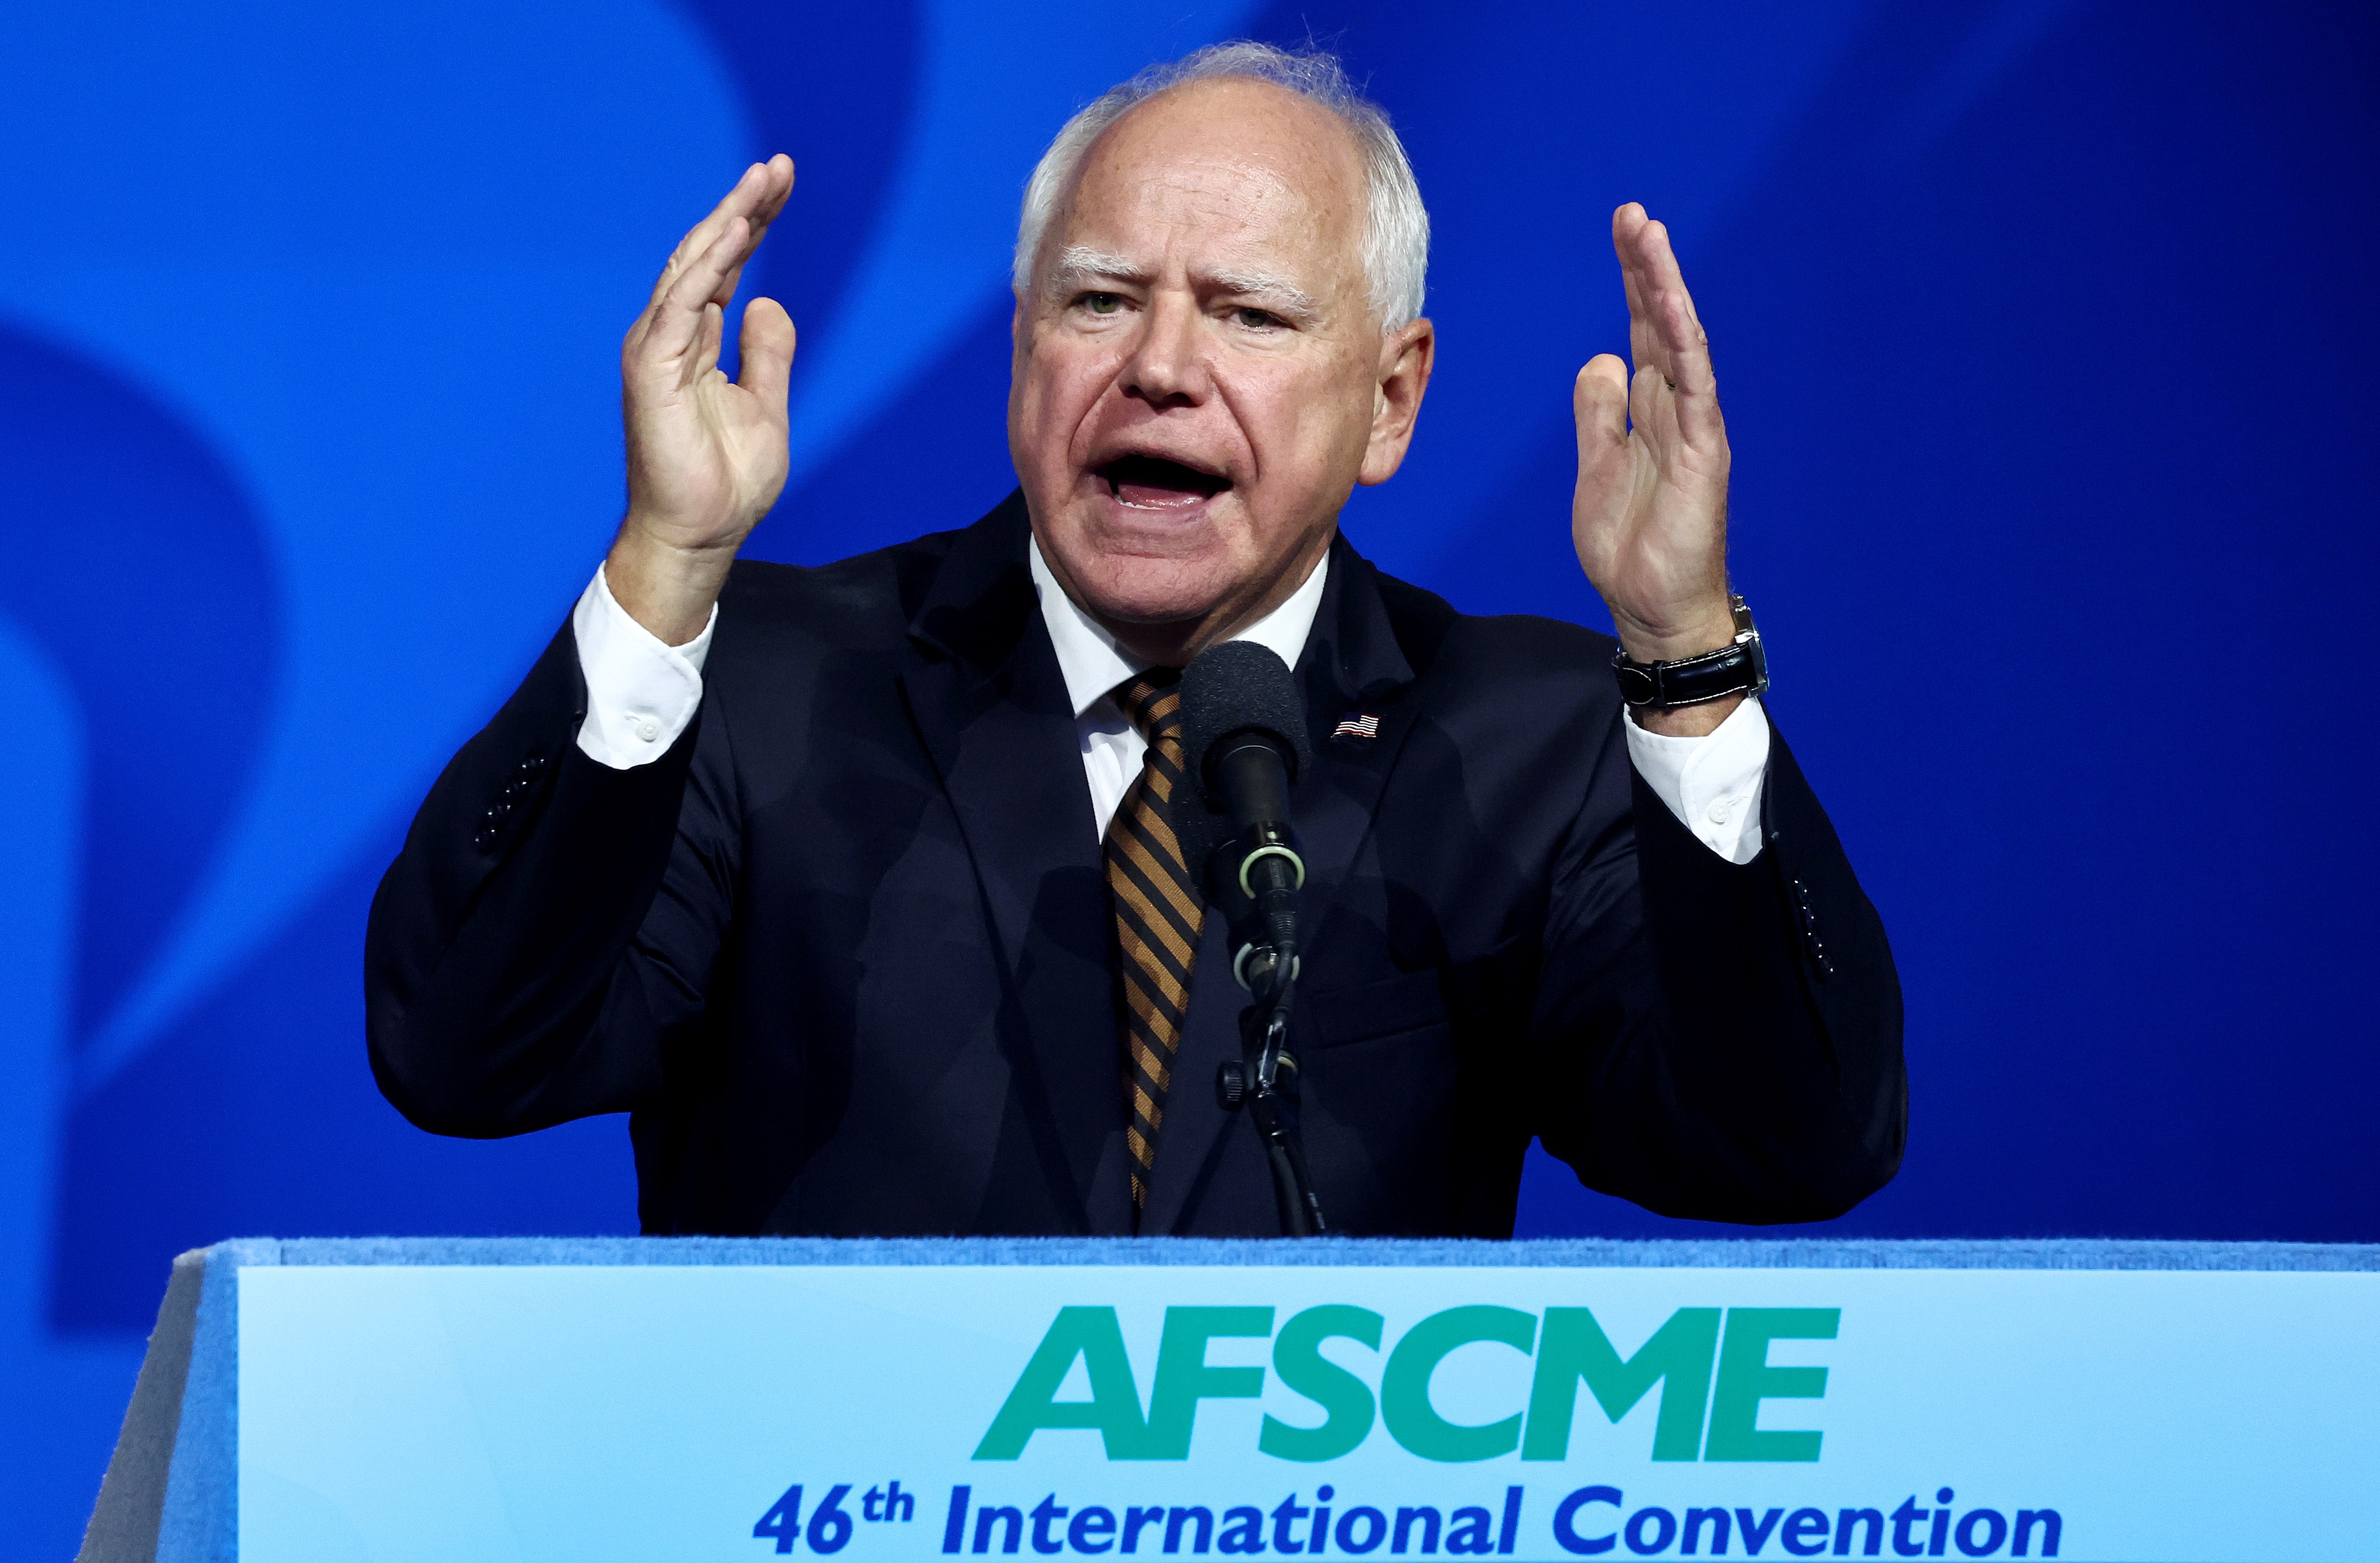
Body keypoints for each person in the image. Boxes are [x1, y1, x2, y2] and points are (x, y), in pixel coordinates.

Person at [365, 43, 1903, 1238]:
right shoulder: (768, 676)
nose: (1161, 366)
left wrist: (1687, 653)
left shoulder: (1524, 735)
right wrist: (666, 564)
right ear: (1023, 341)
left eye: (1249, 314)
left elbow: (1788, 1145)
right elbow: (463, 1054)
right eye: (1100, 299)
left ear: (1390, 398)